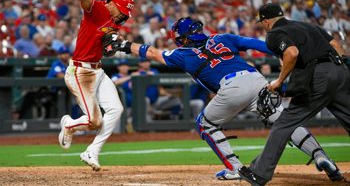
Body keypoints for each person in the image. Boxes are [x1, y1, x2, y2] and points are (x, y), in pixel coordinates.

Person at [112, 17, 340, 181]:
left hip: (231, 87)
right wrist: (288, 52)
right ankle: (321, 156)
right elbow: (260, 45)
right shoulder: (223, 37)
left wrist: (123, 45)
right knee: (285, 121)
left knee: (205, 124)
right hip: (256, 79)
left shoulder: (183, 54)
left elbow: (151, 52)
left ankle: (235, 168)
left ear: (182, 38)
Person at [238, 3, 348, 185]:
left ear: (266, 21)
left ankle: (259, 174)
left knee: (284, 123)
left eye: (262, 22)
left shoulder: (273, 34)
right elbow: (336, 44)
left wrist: (279, 82)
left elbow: (292, 52)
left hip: (319, 76)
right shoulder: (307, 25)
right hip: (340, 71)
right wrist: (337, 68)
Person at [58, 0, 141, 171]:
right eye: (122, 14)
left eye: (125, 16)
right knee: (94, 121)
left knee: (116, 109)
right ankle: (68, 124)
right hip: (80, 72)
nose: (122, 19)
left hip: (98, 70)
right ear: (113, 4)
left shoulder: (117, 7)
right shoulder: (98, 10)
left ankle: (92, 150)